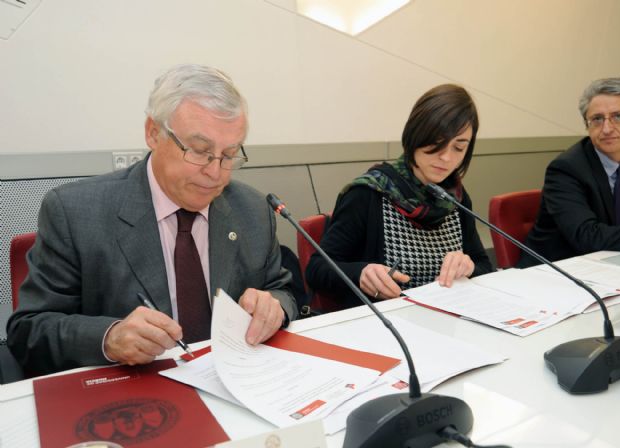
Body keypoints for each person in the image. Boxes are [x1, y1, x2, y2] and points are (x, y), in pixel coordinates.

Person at [7, 64, 297, 375]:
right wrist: (108, 339)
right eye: (199, 151)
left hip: (236, 382)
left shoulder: (251, 209)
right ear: (153, 133)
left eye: (229, 155)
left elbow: (282, 290)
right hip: (135, 396)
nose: (216, 173)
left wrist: (275, 307)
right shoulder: (75, 212)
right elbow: (29, 331)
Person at [305, 84, 493, 309]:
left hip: (445, 320)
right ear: (415, 135)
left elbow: (484, 265)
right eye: (436, 143)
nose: (446, 157)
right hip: (387, 328)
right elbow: (317, 269)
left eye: (458, 148)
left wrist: (469, 267)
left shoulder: (455, 198)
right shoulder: (370, 194)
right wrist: (361, 273)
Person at [519, 77, 620, 267]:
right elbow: (587, 236)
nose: (607, 128)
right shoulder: (566, 169)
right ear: (587, 125)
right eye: (597, 119)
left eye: (618, 116)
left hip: (619, 267)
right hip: (559, 272)